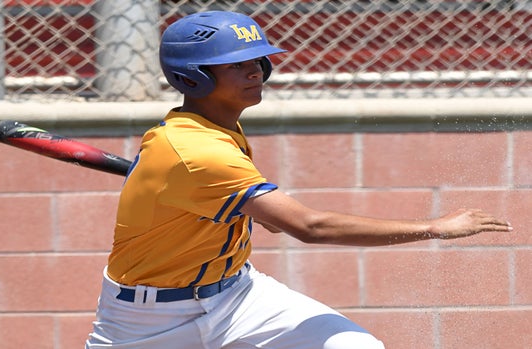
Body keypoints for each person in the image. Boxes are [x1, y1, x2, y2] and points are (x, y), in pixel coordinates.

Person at [85, 11, 512, 349]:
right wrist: (434, 228)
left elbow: (230, 206)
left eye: (257, 60)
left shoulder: (207, 131)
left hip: (236, 294)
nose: (255, 70)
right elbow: (311, 227)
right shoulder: (198, 151)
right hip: (146, 323)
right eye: (235, 65)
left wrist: (255, 210)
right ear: (192, 76)